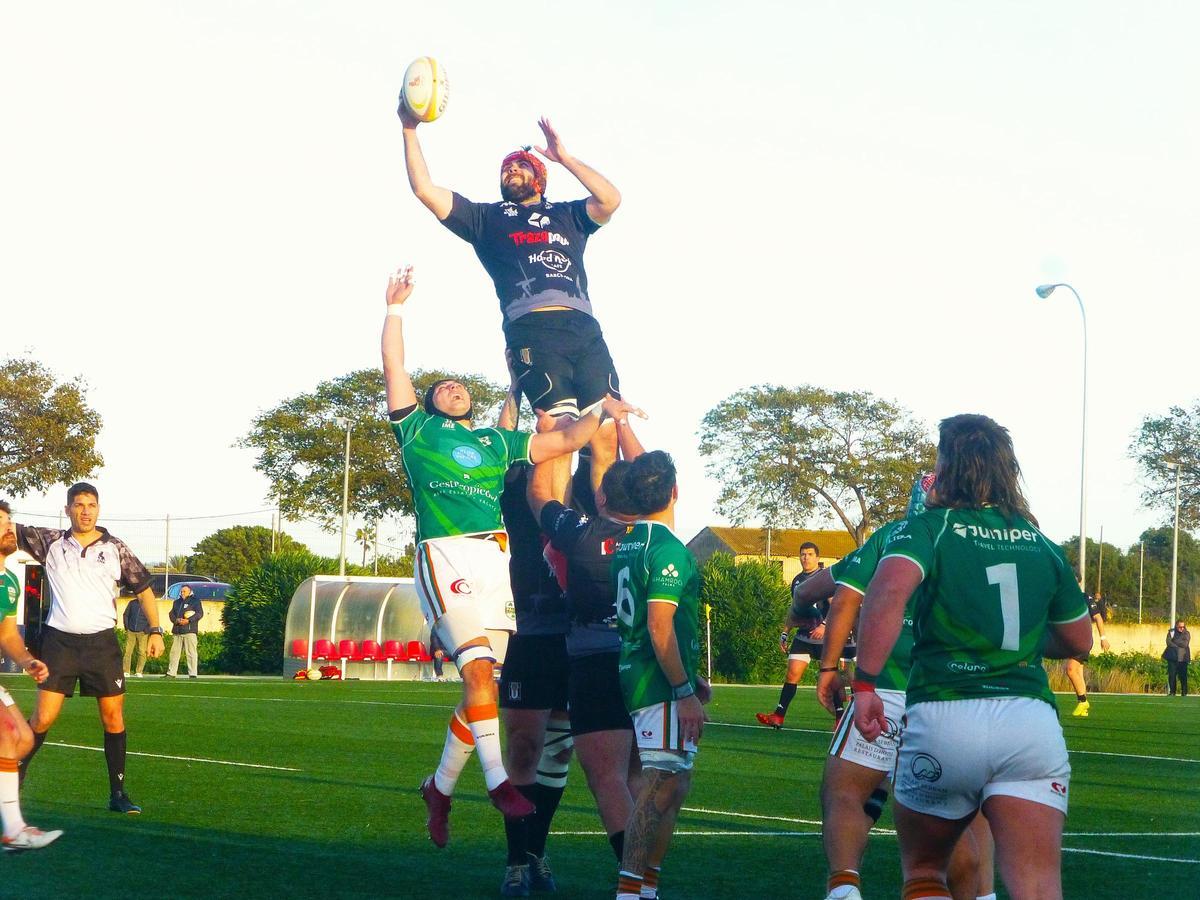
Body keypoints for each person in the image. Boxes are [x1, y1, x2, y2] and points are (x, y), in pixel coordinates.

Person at [378, 265, 634, 848]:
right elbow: (395, 368)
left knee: (483, 686)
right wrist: (394, 310)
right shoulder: (417, 431)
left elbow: (565, 440)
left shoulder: (498, 442)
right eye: (439, 386)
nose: (449, 388)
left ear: (471, 398)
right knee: (475, 671)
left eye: (457, 385)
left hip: (494, 564)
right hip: (445, 555)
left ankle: (440, 787)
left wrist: (603, 409)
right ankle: (497, 783)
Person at [853, 414, 1093, 900]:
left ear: (948, 466)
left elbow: (887, 591)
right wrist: (1023, 642)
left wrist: (864, 684)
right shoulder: (1042, 544)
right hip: (1029, 724)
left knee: (924, 872)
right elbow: (1078, 642)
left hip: (946, 713)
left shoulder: (928, 528)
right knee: (1038, 885)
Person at [398, 107, 623, 497]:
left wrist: (565, 158)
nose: (511, 172)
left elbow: (610, 199)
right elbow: (425, 190)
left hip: (584, 329)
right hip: (533, 330)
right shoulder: (487, 219)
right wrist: (409, 128)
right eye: (506, 169)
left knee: (607, 433)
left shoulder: (567, 214)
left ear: (540, 178)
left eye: (521, 166)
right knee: (559, 431)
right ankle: (558, 536)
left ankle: (606, 534)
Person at [813, 476, 994, 900]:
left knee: (843, 790)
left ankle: (844, 887)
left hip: (888, 687)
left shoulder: (895, 535)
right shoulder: (987, 541)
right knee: (966, 812)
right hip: (961, 695)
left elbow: (844, 597)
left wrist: (828, 669)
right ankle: (982, 894)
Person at [529, 419, 647, 880]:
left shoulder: (579, 532)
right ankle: (647, 877)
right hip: (646, 663)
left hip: (597, 663)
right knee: (639, 775)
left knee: (607, 778)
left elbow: (541, 499)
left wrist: (552, 443)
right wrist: (620, 422)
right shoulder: (660, 535)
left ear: (600, 497)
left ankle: (637, 879)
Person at [12, 483, 166, 814]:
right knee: (42, 718)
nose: (85, 510)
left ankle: (118, 794)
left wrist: (156, 630)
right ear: (67, 509)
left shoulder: (115, 548)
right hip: (59, 643)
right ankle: (14, 781)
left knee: (113, 718)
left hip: (101, 644)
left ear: (98, 508)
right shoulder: (50, 541)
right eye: (78, 505)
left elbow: (144, 590)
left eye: (91, 504)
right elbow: (7, 528)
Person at [612, 451, 710, 900]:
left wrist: (690, 677)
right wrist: (683, 690)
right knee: (658, 785)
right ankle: (632, 891)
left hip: (643, 676)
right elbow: (658, 624)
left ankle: (645, 886)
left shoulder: (628, 543)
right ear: (674, 491)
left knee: (673, 782)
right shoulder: (668, 549)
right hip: (658, 683)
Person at [496, 459, 572, 896]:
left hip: (574, 641)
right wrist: (516, 390)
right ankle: (515, 863)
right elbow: (504, 442)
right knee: (523, 750)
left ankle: (535, 851)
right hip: (527, 639)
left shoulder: (578, 490)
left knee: (558, 757)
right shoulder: (517, 486)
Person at [0, 500, 62, 851]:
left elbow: (7, 634)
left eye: (10, 521)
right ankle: (14, 830)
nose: (9, 528)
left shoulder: (8, 581)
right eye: (0, 522)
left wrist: (27, 661)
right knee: (7, 733)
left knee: (22, 739)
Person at [757, 541, 826, 728]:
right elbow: (794, 610)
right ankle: (778, 715)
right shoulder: (796, 581)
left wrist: (825, 626)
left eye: (810, 554)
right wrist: (785, 632)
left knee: (832, 678)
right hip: (804, 635)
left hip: (825, 635)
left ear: (817, 558)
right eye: (803, 554)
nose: (806, 557)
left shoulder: (825, 577)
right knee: (792, 674)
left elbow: (837, 604)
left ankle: (840, 717)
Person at [1064, 586, 1110, 716]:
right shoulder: (1064, 599)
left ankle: (1082, 701)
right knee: (1078, 670)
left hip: (1082, 639)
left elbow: (1098, 618)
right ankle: (1083, 708)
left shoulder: (1085, 598)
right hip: (1072, 640)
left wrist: (1103, 638)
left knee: (1071, 669)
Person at [165, 584, 204, 679]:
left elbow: (199, 614)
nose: (182, 593)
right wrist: (176, 620)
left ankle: (193, 673)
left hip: (189, 631)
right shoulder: (176, 602)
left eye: (184, 591)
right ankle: (171, 673)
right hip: (177, 631)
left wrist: (188, 620)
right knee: (174, 653)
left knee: (191, 653)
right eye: (181, 591)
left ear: (189, 591)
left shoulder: (195, 601)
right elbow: (171, 614)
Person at [121, 592, 151, 678]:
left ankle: (139, 671)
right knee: (127, 651)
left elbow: (151, 618)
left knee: (142, 652)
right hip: (131, 631)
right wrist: (127, 627)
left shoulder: (148, 604)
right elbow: (126, 615)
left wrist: (146, 630)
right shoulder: (132, 603)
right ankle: (126, 671)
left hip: (143, 632)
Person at [1163, 621, 1190, 696]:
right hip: (1172, 657)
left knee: (1183, 676)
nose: (1182, 628)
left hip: (1182, 658)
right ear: (1176, 626)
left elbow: (1185, 644)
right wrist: (1177, 644)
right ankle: (1172, 692)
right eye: (1180, 627)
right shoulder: (1171, 632)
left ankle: (1184, 692)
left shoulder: (1187, 633)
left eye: (1183, 627)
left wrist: (1174, 641)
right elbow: (1168, 642)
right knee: (1172, 675)